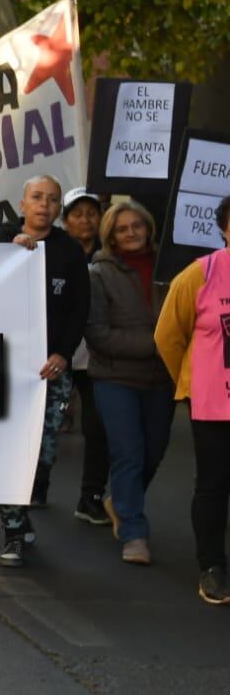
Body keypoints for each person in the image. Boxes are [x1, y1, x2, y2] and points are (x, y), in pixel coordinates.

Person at [0, 175, 90, 567]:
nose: (44, 205)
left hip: (50, 372)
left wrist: (64, 353)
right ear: (22, 204)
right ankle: (13, 531)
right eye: (37, 198)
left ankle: (22, 512)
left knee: (42, 455)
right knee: (10, 451)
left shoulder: (69, 251)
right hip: (5, 368)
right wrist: (9, 253)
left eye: (51, 199)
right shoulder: (0, 239)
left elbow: (79, 307)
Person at [85, 201, 173, 566]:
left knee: (153, 453)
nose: (132, 232)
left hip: (162, 379)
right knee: (129, 453)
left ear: (149, 228)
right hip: (115, 378)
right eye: (123, 228)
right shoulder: (99, 274)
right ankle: (134, 533)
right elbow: (99, 335)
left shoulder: (171, 268)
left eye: (138, 225)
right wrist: (157, 343)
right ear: (111, 236)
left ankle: (119, 501)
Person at [155, 195, 230, 604]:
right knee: (214, 487)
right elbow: (168, 336)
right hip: (214, 405)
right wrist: (191, 382)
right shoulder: (200, 275)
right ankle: (212, 567)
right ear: (223, 228)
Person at [60, 187, 110, 524]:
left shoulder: (110, 257)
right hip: (58, 352)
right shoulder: (53, 252)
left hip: (94, 357)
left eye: (92, 213)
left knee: (97, 427)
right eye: (77, 213)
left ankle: (90, 496)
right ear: (65, 220)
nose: (85, 220)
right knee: (42, 426)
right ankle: (32, 487)